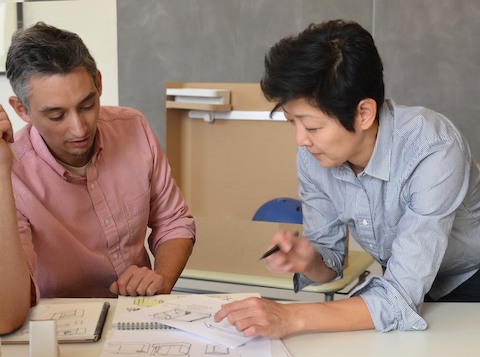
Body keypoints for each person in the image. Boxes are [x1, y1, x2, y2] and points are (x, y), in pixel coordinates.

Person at [214, 19, 480, 337]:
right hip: (405, 282)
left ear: (364, 113)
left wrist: (289, 317)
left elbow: (399, 298)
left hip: (470, 279)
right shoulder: (315, 155)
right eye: (291, 122)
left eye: (311, 126)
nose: (300, 139)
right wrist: (310, 259)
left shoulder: (433, 149)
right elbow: (330, 263)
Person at [0, 22, 195, 334]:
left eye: (87, 105)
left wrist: (162, 276)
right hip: (59, 328)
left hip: (138, 315)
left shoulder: (134, 126)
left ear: (99, 84)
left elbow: (174, 222)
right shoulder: (12, 172)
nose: (79, 129)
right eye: (56, 116)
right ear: (21, 109)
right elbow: (7, 307)